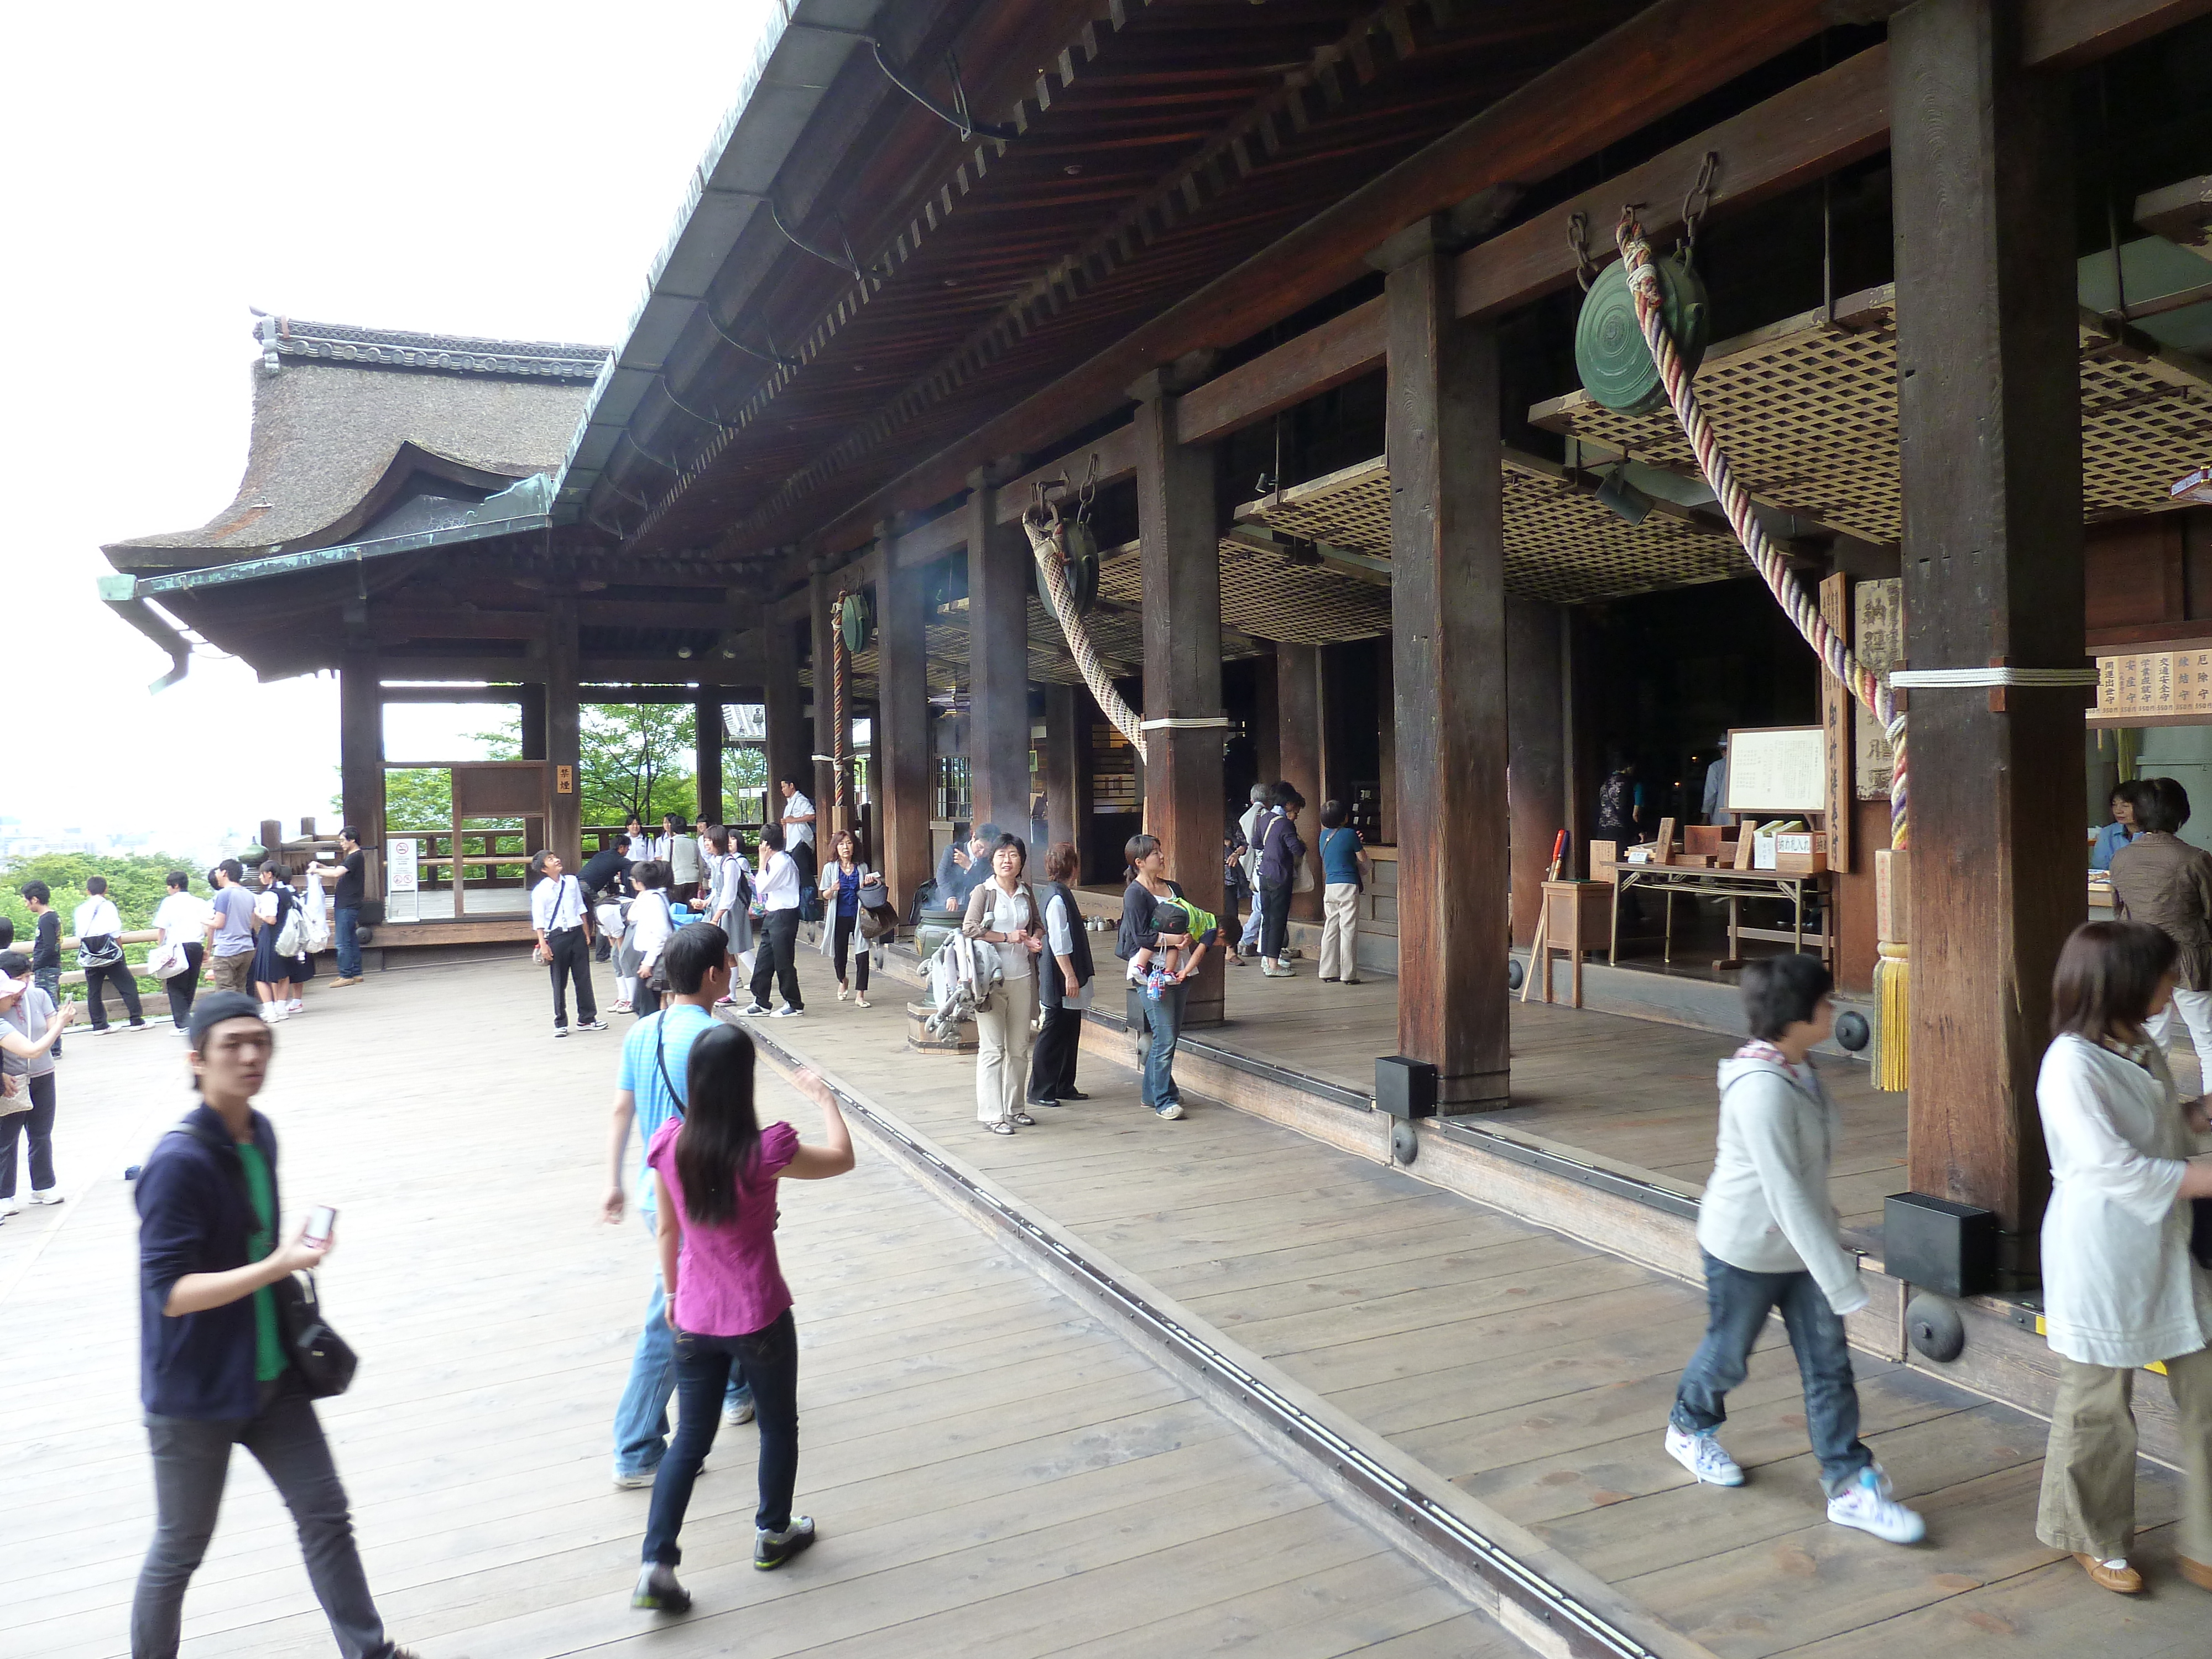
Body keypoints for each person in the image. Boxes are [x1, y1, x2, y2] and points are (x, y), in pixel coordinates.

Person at [130, 991, 423, 1658]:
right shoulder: (176, 1165)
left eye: (259, 1041)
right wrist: (278, 1265)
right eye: (231, 1044)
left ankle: (369, 1651)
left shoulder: (258, 1133)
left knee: (325, 1516)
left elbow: (250, 1250)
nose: (251, 1055)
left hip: (272, 1374)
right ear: (196, 1060)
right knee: (180, 1548)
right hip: (196, 1392)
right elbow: (169, 1293)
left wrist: (289, 1259)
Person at [1663, 953, 1926, 1544]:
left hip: (1802, 1246)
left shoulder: (1797, 1068)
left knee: (1828, 1366)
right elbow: (1783, 1194)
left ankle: (1848, 1483)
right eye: (1826, 1001)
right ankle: (1688, 1425)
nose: (1834, 1009)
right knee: (1729, 1353)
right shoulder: (1761, 1088)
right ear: (1798, 1014)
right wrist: (1839, 1276)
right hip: (1746, 1248)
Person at [629, 1026, 855, 1613]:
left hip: (695, 1316)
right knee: (779, 1426)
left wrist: (675, 1297)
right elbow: (843, 1159)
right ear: (743, 1083)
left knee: (689, 1442)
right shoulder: (765, 1152)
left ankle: (657, 1565)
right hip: (759, 1315)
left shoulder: (670, 1144)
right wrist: (826, 1101)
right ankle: (773, 1532)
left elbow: (666, 1229)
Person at [2033, 919, 2212, 1594]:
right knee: (2098, 1403)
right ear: (2125, 983)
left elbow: (2159, 1127)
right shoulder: (2069, 1064)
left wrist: (2199, 1113)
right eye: (2165, 974)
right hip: (2100, 1249)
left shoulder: (2136, 1040)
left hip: (2167, 1243)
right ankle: (2091, 1533)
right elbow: (2117, 1169)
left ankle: (2205, 1542)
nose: (2174, 984)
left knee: (2207, 1391)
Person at [602, 924, 755, 1489]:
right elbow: (737, 1132)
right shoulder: (715, 1040)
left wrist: (613, 1181)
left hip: (651, 1189)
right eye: (729, 962)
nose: (734, 968)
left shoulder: (643, 1030)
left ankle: (739, 1390)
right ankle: (637, 1444)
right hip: (702, 1199)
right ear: (714, 974)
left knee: (731, 1287)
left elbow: (622, 1110)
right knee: (669, 1318)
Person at [2107, 776, 2212, 1078]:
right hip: (2189, 959)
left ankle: (2155, 1104)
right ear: (2181, 813)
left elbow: (2121, 910)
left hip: (2143, 959)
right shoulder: (2195, 859)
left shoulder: (2121, 858)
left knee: (2153, 1040)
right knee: (2206, 1039)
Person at [964, 834, 1044, 1136]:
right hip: (991, 982)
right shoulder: (983, 892)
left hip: (1023, 975)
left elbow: (1037, 923)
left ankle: (1015, 1108)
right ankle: (991, 1113)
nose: (1007, 861)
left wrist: (1034, 937)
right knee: (993, 1049)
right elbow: (969, 929)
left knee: (1019, 1048)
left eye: (1012, 855)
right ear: (992, 860)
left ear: (1021, 860)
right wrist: (1006, 937)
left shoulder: (1026, 892)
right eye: (1001, 855)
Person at [1116, 834, 1191, 1122]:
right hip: (1150, 972)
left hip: (1179, 967)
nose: (1161, 856)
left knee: (1169, 1033)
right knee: (1165, 1035)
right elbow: (1140, 936)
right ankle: (1164, 1098)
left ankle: (1153, 1092)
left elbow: (1188, 916)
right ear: (1139, 862)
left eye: (1160, 851)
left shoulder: (1173, 887)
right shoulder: (1134, 893)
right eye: (1155, 853)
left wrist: (1186, 937)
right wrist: (1173, 938)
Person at [0, 961, 72, 1216]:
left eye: (28, 976)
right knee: (7, 1137)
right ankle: (4, 1194)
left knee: (41, 1132)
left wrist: (62, 1021)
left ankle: (43, 1185)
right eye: (19, 978)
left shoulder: (39, 995)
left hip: (43, 1072)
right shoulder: (3, 1005)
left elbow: (50, 1031)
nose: (25, 983)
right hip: (13, 1077)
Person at [1027, 842, 1094, 1112]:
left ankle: (1065, 1084)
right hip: (1060, 973)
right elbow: (1059, 940)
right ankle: (1041, 1088)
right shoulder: (1056, 898)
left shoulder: (1057, 893)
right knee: (1054, 1030)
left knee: (1070, 1028)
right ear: (1073, 868)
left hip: (1063, 971)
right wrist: (1070, 975)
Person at [529, 850, 606, 1039]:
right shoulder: (540, 891)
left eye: (556, 857)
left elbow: (581, 907)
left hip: (577, 933)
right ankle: (560, 1022)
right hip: (556, 936)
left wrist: (587, 932)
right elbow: (539, 920)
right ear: (543, 869)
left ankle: (587, 1018)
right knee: (559, 981)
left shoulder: (571, 882)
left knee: (583, 978)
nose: (557, 860)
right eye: (551, 859)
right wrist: (543, 944)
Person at [738, 824, 805, 1019]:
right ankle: (761, 1001)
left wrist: (761, 862)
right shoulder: (777, 861)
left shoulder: (783, 863)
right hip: (774, 914)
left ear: (765, 844)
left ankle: (794, 1003)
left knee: (783, 961)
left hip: (785, 915)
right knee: (764, 959)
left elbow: (763, 887)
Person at [71, 875, 151, 1034]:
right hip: (109, 951)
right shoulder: (108, 906)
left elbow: (80, 934)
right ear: (106, 889)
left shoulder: (80, 909)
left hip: (90, 953)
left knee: (94, 990)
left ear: (88, 891)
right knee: (127, 985)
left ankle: (99, 1025)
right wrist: (120, 952)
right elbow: (115, 932)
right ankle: (136, 1021)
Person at [815, 828, 882, 1007]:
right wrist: (832, 889)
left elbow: (868, 892)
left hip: (860, 916)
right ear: (836, 847)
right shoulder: (830, 869)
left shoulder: (862, 867)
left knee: (862, 955)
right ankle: (843, 980)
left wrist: (869, 884)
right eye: (842, 844)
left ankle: (860, 995)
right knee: (839, 958)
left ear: (854, 846)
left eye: (849, 843)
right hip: (839, 917)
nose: (846, 848)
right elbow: (824, 895)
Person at [152, 872, 212, 1034]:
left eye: (169, 886)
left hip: (177, 947)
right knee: (190, 984)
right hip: (196, 946)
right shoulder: (200, 902)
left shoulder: (169, 903)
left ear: (176, 886)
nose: (168, 889)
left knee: (175, 985)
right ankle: (187, 1019)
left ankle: (183, 1024)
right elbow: (210, 926)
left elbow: (162, 928)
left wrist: (160, 949)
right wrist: (208, 948)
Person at [1317, 800, 1369, 984]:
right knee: (1348, 929)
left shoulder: (1323, 837)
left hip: (1330, 886)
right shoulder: (1350, 834)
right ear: (1345, 818)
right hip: (1347, 885)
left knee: (1331, 928)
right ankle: (1348, 974)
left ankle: (1327, 971)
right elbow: (1364, 862)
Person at [1256, 781, 1306, 978]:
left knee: (1267, 918)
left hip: (1264, 873)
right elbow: (1297, 850)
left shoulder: (1264, 818)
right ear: (1287, 803)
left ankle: (1267, 959)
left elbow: (1255, 842)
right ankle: (1274, 964)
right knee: (1278, 920)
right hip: (1280, 875)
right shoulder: (1285, 823)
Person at [249, 864, 311, 1022]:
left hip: (271, 938)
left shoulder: (270, 894)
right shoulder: (287, 892)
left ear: (269, 874)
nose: (260, 877)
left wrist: (258, 913)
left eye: (261, 874)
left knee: (261, 976)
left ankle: (270, 1012)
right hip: (288, 938)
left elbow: (271, 919)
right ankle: (281, 1009)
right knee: (284, 975)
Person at [315, 827, 368, 987]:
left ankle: (346, 975)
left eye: (343, 840)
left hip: (347, 904)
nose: (341, 844)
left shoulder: (355, 856)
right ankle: (356, 973)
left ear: (352, 840)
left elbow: (336, 874)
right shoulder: (353, 857)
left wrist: (315, 870)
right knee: (351, 939)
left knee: (342, 942)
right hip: (348, 903)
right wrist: (322, 867)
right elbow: (337, 870)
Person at [626, 862, 677, 1020]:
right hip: (649, 955)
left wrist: (649, 963)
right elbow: (631, 916)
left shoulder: (653, 900)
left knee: (647, 1008)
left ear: (639, 883)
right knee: (640, 1004)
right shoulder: (651, 896)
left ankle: (654, 1039)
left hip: (654, 957)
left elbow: (662, 934)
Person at [20, 882, 65, 1060]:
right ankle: (55, 1046)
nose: (26, 904)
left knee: (49, 1008)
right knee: (51, 1005)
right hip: (50, 967)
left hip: (47, 970)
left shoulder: (46, 919)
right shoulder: (52, 917)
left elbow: (48, 948)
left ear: (35, 900)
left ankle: (54, 1048)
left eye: (26, 900)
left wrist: (33, 966)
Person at [202, 861, 258, 1000]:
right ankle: (243, 1019)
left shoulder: (224, 894)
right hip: (247, 948)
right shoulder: (249, 894)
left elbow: (218, 923)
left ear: (225, 873)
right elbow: (251, 924)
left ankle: (231, 1020)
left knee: (225, 992)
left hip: (227, 950)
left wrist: (202, 920)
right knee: (240, 989)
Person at [581, 833, 635, 963]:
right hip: (587, 888)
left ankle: (597, 954)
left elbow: (607, 875)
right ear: (621, 847)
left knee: (588, 919)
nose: (628, 851)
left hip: (578, 884)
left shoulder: (601, 855)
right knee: (602, 916)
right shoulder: (620, 860)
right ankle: (602, 955)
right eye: (628, 848)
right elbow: (634, 871)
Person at [1235, 784, 1271, 960]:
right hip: (1260, 868)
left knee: (1258, 906)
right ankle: (1245, 941)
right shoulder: (1266, 817)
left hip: (1245, 867)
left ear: (1251, 800)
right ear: (1268, 800)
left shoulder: (1244, 817)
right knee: (1261, 908)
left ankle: (1247, 942)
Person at [2090, 781, 2142, 874]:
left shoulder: (2155, 834)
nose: (2118, 811)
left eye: (2125, 806)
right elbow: (2099, 870)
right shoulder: (2107, 833)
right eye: (2114, 805)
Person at [778, 776, 817, 889]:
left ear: (792, 786)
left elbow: (812, 815)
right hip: (792, 841)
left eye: (784, 787)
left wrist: (793, 820)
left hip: (801, 841)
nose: (783, 790)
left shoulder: (801, 800)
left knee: (803, 872)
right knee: (797, 872)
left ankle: (810, 896)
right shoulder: (789, 803)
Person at [664, 813, 701, 902]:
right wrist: (700, 881)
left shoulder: (669, 843)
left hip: (677, 880)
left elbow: (665, 864)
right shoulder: (693, 843)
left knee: (678, 908)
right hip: (693, 879)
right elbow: (700, 864)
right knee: (692, 908)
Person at [1702, 738, 1733, 828]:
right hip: (1744, 819)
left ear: (1722, 750)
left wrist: (1705, 817)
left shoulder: (1715, 767)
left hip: (1720, 818)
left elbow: (1711, 794)